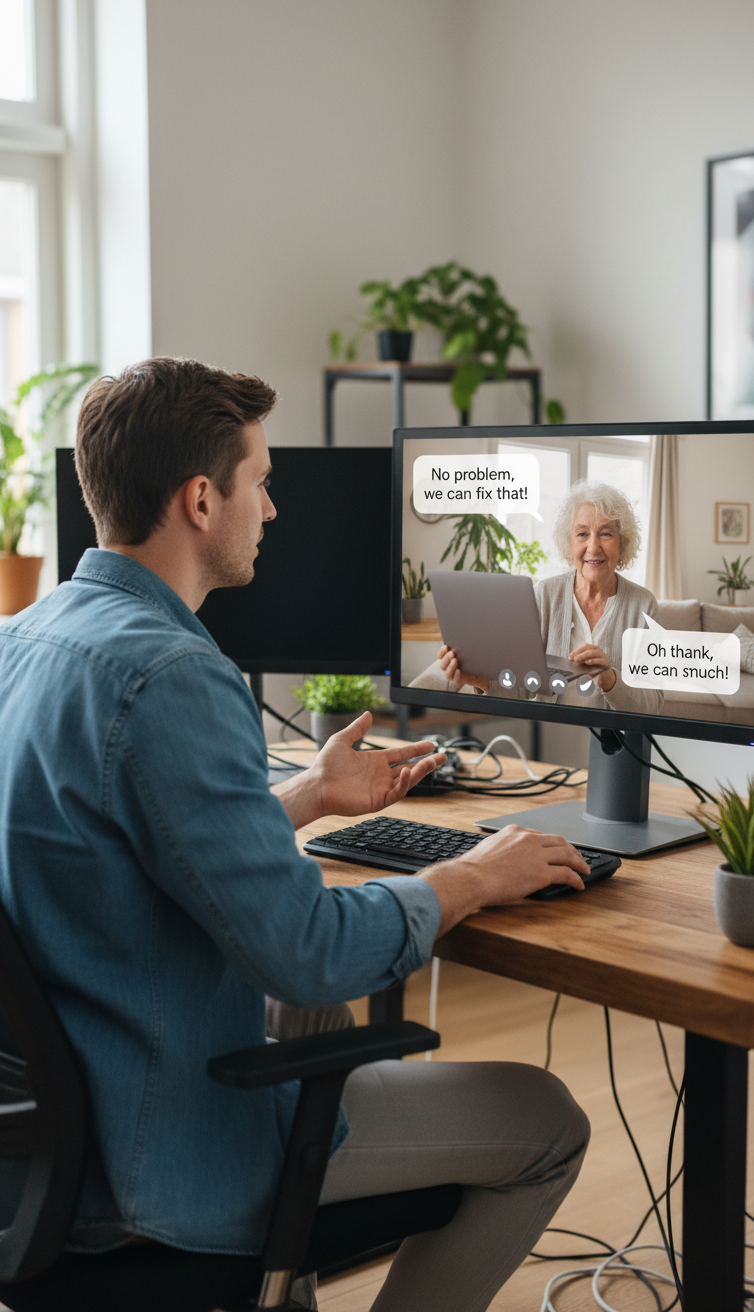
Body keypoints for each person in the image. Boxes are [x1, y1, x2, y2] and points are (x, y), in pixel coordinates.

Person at [0, 358, 590, 1312]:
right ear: (202, 498)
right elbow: (306, 955)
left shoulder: (19, 642)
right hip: (163, 1159)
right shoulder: (173, 678)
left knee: (318, 1026)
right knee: (547, 1120)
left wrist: (306, 797)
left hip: (42, 1161)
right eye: (262, 482)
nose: (271, 509)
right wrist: (472, 876)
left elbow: (108, 855)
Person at [439, 480, 663, 716]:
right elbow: (523, 687)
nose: (593, 546)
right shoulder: (545, 594)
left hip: (613, 742)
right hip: (550, 736)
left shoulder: (643, 605)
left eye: (605, 533)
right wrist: (481, 680)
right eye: (582, 534)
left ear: (623, 541)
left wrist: (610, 679)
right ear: (569, 541)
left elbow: (653, 704)